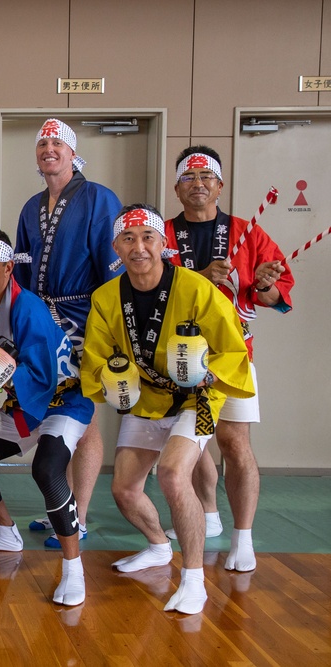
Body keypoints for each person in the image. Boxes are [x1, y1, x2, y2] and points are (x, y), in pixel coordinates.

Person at [81, 204, 254, 614]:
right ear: (116, 248)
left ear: (163, 244)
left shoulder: (196, 288)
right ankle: (159, 546)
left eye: (147, 238)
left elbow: (233, 348)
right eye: (128, 238)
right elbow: (96, 358)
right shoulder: (106, 297)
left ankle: (194, 579)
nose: (138, 247)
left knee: (176, 476)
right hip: (147, 397)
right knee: (124, 489)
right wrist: (112, 375)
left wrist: (208, 372)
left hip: (198, 397)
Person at [163, 146, 294, 572]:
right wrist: (198, 278)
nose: (197, 183)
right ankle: (209, 515)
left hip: (234, 355)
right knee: (190, 442)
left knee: (235, 443)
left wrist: (262, 285)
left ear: (220, 185)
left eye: (206, 176)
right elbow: (148, 290)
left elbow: (276, 295)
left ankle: (244, 537)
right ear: (177, 187)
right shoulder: (162, 234)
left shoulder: (247, 231)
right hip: (178, 356)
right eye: (188, 177)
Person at [0, 227, 93, 606]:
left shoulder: (28, 307)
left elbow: (43, 375)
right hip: (12, 401)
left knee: (47, 470)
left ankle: (73, 568)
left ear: (8, 268)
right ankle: (5, 533)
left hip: (60, 401)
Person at [14, 118, 122, 548]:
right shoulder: (30, 206)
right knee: (55, 411)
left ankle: (78, 514)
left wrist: (105, 327)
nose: (48, 149)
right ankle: (62, 506)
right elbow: (20, 269)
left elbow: (112, 271)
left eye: (57, 142)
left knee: (85, 415)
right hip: (42, 317)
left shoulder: (99, 198)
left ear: (73, 153)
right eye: (42, 143)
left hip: (86, 314)